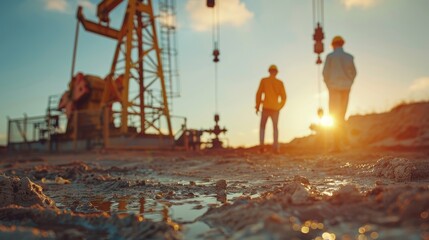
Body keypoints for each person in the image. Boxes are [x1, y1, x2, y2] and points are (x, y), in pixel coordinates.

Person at [323, 36, 357, 151]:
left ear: (333, 44)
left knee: (334, 115)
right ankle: (343, 144)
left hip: (333, 88)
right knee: (342, 115)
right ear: (342, 43)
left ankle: (336, 145)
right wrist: (350, 82)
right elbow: (354, 72)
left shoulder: (330, 57)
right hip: (346, 88)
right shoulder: (349, 57)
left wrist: (328, 85)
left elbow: (325, 73)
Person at [255, 64, 287, 153]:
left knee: (262, 127)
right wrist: (279, 106)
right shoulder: (279, 83)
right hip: (275, 109)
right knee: (275, 128)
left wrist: (257, 106)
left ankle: (262, 147)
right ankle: (276, 148)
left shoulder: (264, 81)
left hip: (266, 108)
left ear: (269, 71)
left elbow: (259, 94)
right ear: (276, 72)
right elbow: (284, 97)